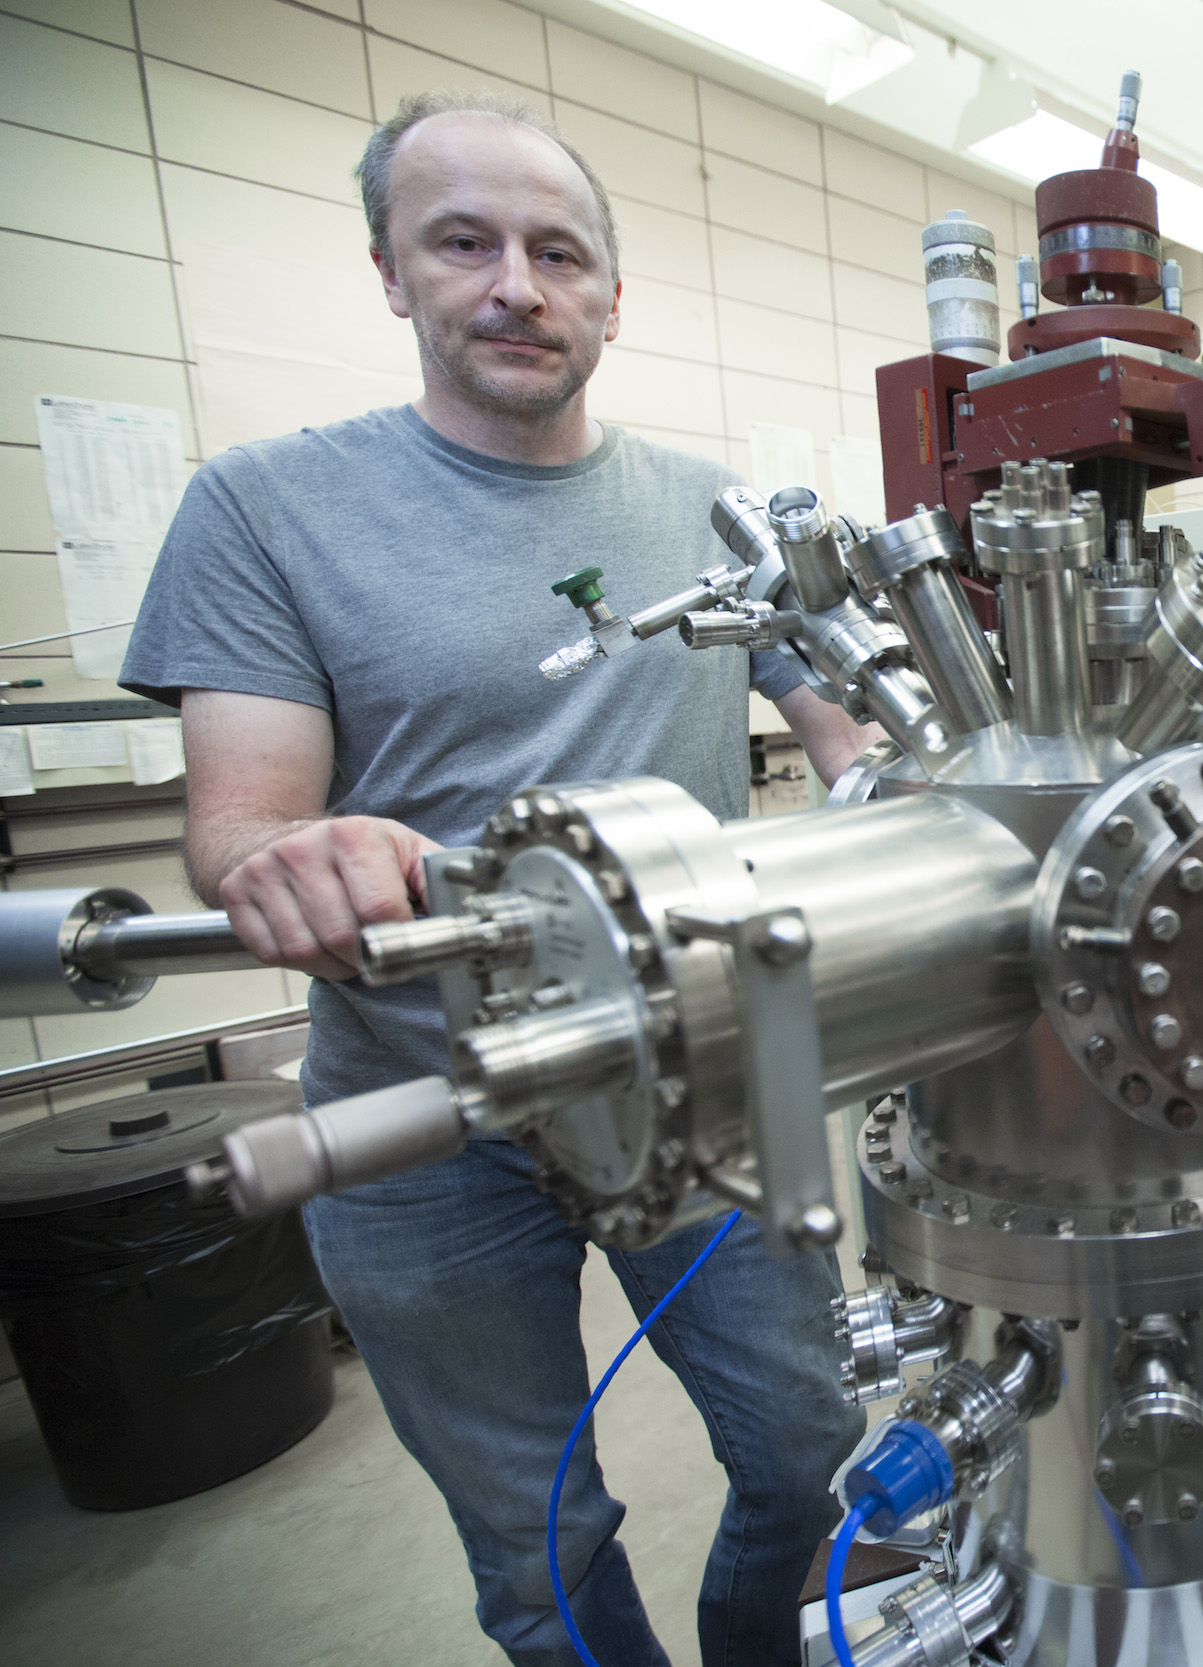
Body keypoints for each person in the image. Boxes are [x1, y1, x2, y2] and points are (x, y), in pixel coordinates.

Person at [120, 92, 871, 1667]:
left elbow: (868, 749)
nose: (516, 285)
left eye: (558, 252)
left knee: (808, 1458)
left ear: (611, 293)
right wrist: (296, 856)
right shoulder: (264, 509)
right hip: (427, 1121)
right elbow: (241, 827)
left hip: (711, 1083)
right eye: (464, 242)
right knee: (541, 1545)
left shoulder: (718, 517)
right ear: (394, 272)